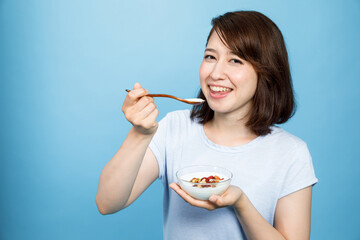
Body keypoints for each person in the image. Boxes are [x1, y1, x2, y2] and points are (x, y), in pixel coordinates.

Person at [95, 10, 318, 240]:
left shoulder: (291, 154)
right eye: (210, 57)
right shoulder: (175, 127)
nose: (215, 73)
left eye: (235, 60)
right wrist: (140, 133)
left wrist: (241, 204)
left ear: (266, 73)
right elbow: (106, 202)